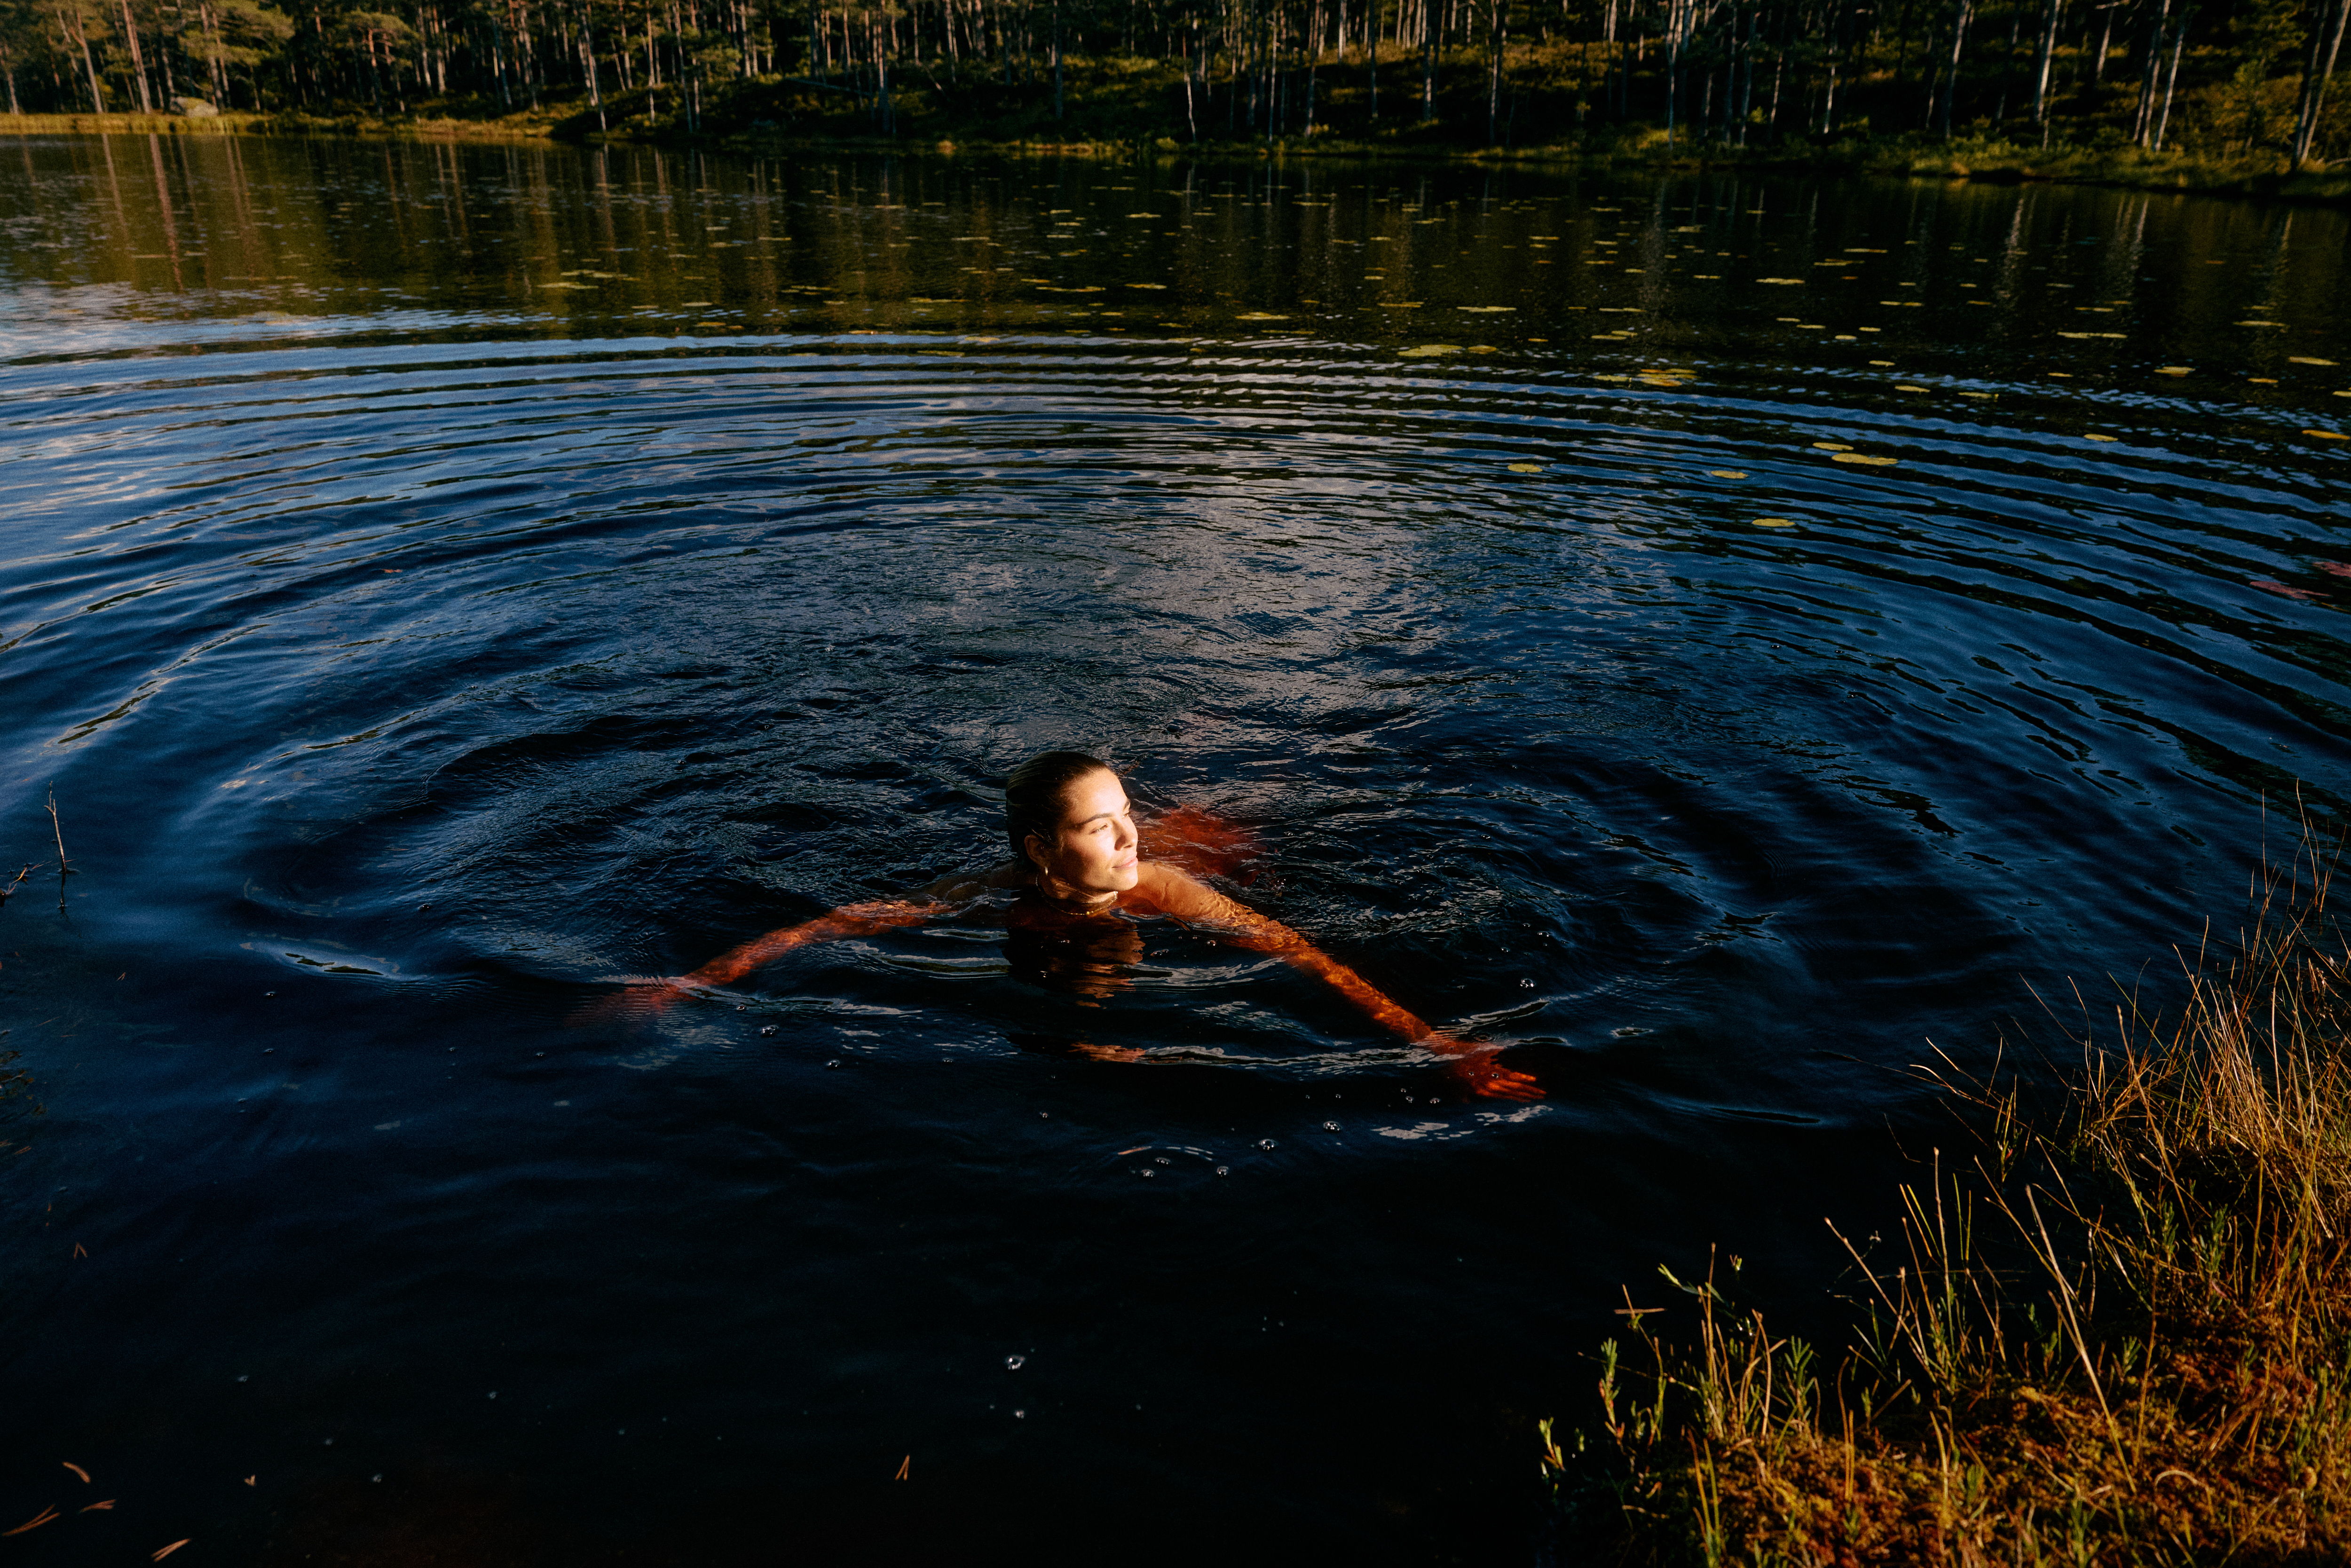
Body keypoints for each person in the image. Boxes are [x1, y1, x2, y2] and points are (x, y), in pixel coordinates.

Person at [597, 751, 1539, 1101]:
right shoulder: (989, 890)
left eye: (1127, 814)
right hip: (1058, 926)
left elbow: (1306, 958)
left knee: (1220, 841)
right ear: (1041, 850)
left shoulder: (1161, 886)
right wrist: (687, 985)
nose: (1129, 837)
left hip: (1187, 878)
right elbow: (830, 926)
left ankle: (1226, 810)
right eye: (1100, 827)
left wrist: (1438, 1045)